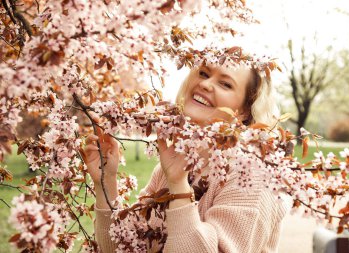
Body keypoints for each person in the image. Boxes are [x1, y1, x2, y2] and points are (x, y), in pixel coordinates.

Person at [84, 63, 287, 253]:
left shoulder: (252, 175)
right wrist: (106, 182)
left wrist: (178, 186)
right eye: (203, 73)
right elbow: (124, 247)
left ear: (243, 110)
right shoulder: (180, 160)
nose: (206, 84)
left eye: (225, 84)